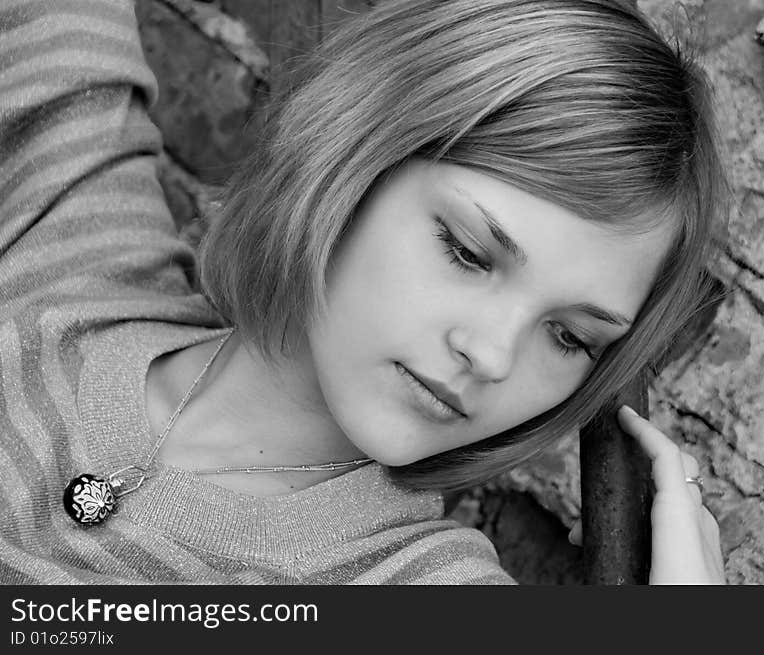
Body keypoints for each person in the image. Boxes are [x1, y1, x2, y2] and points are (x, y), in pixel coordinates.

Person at [0, 0, 726, 584]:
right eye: (468, 251)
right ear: (358, 150)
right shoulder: (73, 243)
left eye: (570, 337)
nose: (493, 355)